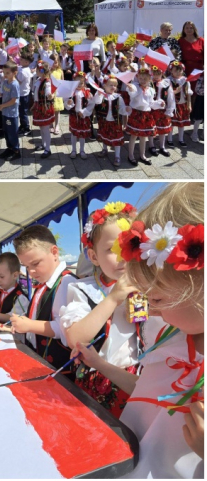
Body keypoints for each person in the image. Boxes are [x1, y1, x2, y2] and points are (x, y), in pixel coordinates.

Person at [75, 184, 203, 478]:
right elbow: (147, 391)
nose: (152, 311)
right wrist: (98, 363)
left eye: (156, 299)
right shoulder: (172, 336)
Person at [59, 201, 142, 417]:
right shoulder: (83, 289)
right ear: (93, 256)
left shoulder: (148, 287)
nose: (124, 256)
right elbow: (74, 337)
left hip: (137, 380)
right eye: (114, 249)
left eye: (132, 245)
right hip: (95, 378)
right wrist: (113, 298)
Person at [9, 225, 75, 370]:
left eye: (35, 263)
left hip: (60, 369)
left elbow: (66, 329)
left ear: (54, 252)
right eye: (26, 266)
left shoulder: (68, 283)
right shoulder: (43, 284)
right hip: (40, 360)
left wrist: (29, 325)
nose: (30, 271)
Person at [126, 67, 163, 166]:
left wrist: (159, 104)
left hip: (146, 114)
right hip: (137, 114)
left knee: (144, 136)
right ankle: (130, 155)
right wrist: (130, 89)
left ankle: (142, 155)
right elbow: (133, 93)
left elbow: (151, 103)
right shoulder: (135, 86)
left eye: (145, 79)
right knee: (134, 135)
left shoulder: (151, 89)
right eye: (140, 78)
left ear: (150, 79)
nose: (142, 80)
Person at [92, 75, 129, 167]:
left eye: (115, 85)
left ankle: (117, 156)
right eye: (110, 85)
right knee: (104, 135)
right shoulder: (101, 95)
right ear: (104, 85)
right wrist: (99, 93)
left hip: (115, 122)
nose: (113, 87)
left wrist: (126, 110)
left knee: (117, 138)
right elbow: (97, 102)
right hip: (104, 121)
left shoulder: (118, 97)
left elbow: (121, 108)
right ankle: (104, 149)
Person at [178, 21, 203, 143]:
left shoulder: (201, 40)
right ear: (184, 29)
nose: (189, 29)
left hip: (199, 71)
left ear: (194, 29)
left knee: (198, 94)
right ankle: (188, 114)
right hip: (186, 70)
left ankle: (195, 116)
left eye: (191, 28)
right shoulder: (180, 41)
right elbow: (177, 56)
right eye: (186, 28)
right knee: (188, 92)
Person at [30, 60, 56, 158]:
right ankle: (43, 144)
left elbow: (50, 95)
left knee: (45, 129)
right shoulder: (38, 80)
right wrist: (34, 105)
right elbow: (36, 94)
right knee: (41, 128)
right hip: (38, 106)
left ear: (42, 71)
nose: (36, 70)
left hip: (44, 108)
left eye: (37, 69)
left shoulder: (47, 83)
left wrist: (50, 96)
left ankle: (48, 149)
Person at [150, 65, 176, 158]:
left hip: (163, 111)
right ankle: (151, 145)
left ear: (162, 73)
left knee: (163, 129)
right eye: (154, 74)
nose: (156, 76)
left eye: (158, 74)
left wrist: (169, 111)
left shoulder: (166, 83)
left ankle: (162, 146)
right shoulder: (149, 83)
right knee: (152, 128)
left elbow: (171, 98)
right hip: (152, 110)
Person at [68, 73, 96, 160]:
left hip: (83, 117)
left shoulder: (87, 93)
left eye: (81, 83)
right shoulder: (71, 92)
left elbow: (91, 105)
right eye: (77, 83)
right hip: (74, 116)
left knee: (82, 134)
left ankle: (82, 150)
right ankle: (73, 150)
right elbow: (67, 103)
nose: (79, 85)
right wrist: (69, 103)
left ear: (84, 83)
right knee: (74, 134)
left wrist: (84, 112)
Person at [0, 61, 22, 161]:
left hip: (11, 114)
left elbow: (13, 100)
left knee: (12, 132)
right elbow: (4, 94)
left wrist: (2, 106)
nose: (5, 75)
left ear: (14, 72)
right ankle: (10, 148)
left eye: (8, 73)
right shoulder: (5, 82)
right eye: (4, 72)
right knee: (7, 132)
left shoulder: (14, 85)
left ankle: (16, 151)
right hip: (5, 112)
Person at [168, 61, 194, 146]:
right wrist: (176, 91)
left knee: (181, 124)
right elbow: (166, 94)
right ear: (171, 71)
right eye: (176, 70)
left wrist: (189, 104)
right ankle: (169, 139)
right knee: (171, 123)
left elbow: (188, 94)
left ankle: (181, 139)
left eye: (180, 70)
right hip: (173, 105)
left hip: (183, 104)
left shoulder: (186, 81)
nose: (178, 72)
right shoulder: (169, 80)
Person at [17, 53, 33, 136]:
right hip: (24, 93)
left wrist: (13, 75)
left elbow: (18, 81)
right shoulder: (23, 68)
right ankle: (22, 125)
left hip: (23, 94)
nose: (20, 60)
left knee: (23, 112)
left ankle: (26, 128)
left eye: (22, 60)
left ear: (27, 62)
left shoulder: (23, 72)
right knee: (21, 111)